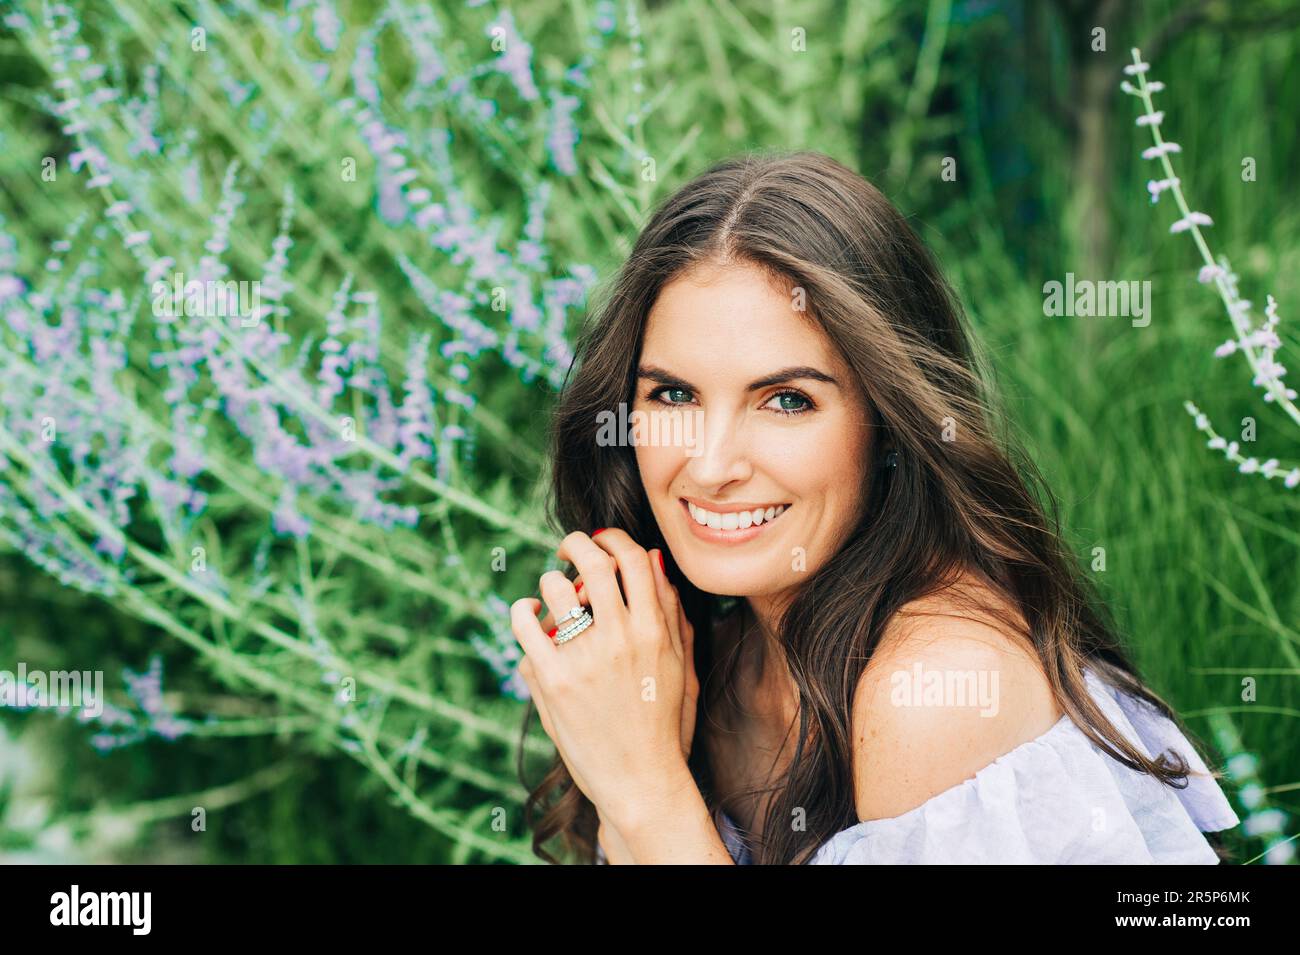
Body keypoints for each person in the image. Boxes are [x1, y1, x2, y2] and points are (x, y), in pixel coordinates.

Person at [509, 150, 1240, 865]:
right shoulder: (714, 660)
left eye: (786, 400)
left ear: (888, 424)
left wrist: (647, 790)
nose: (710, 465)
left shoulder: (932, 695)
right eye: (673, 395)